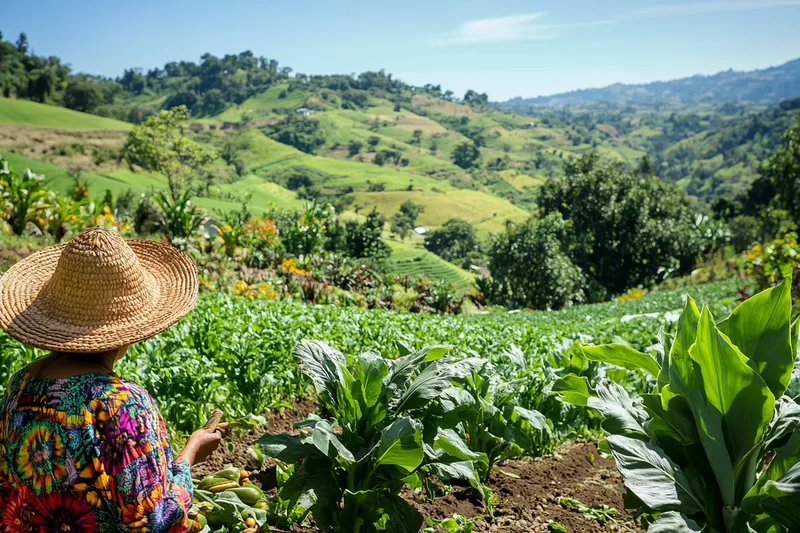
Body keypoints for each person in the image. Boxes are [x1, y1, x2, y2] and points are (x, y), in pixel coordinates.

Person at [0, 227, 223, 533]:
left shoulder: (19, 386)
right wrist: (191, 452)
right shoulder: (121, 404)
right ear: (126, 335)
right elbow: (154, 518)